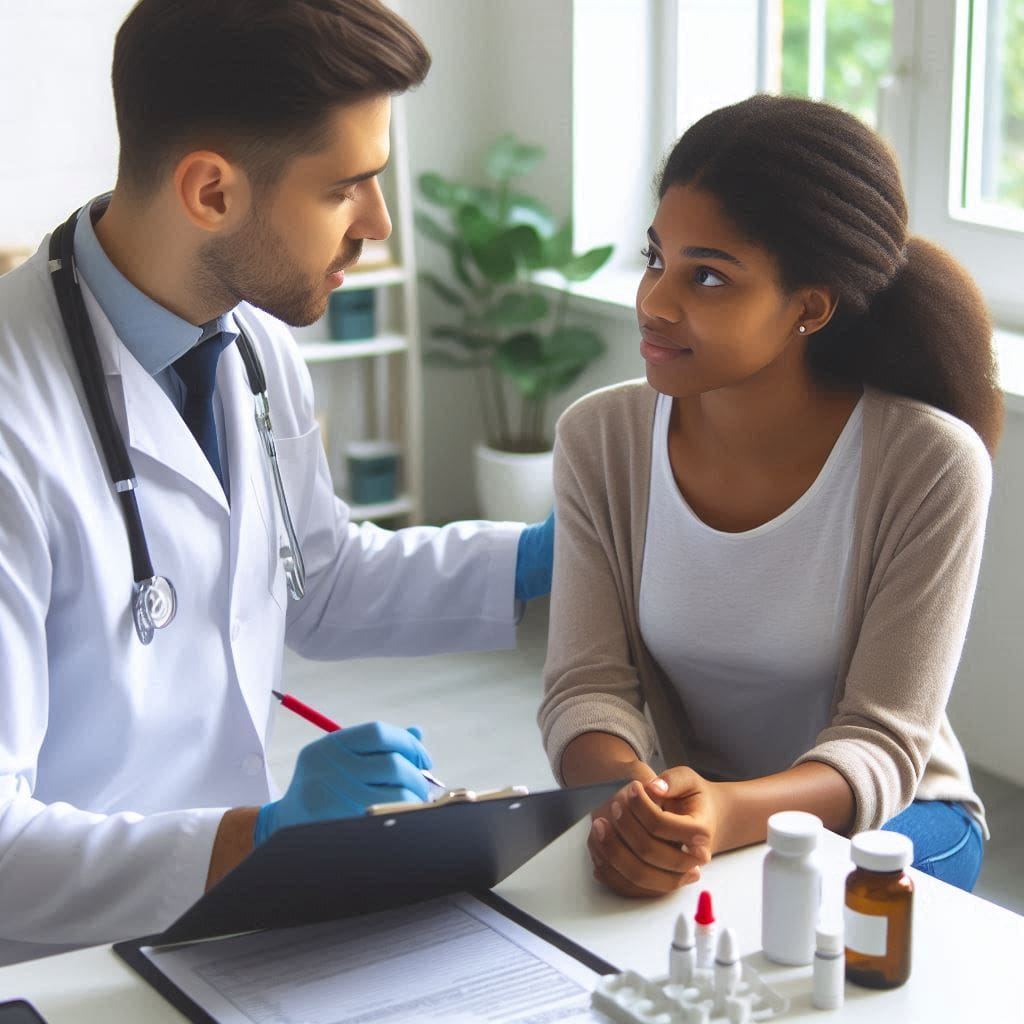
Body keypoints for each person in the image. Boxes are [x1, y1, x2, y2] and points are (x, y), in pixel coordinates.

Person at [0, 0, 553, 965]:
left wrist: (553, 556)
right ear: (211, 191)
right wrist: (252, 838)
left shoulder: (248, 336)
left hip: (229, 921)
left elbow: (317, 579)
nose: (379, 225)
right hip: (58, 960)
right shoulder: (14, 420)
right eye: (348, 188)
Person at [538, 94, 1003, 901]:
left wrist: (728, 815)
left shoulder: (928, 463)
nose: (654, 302)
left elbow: (882, 742)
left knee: (777, 907)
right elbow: (587, 689)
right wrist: (633, 799)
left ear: (810, 307)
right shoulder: (600, 439)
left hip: (888, 816)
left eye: (707, 275)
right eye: (657, 259)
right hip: (698, 796)